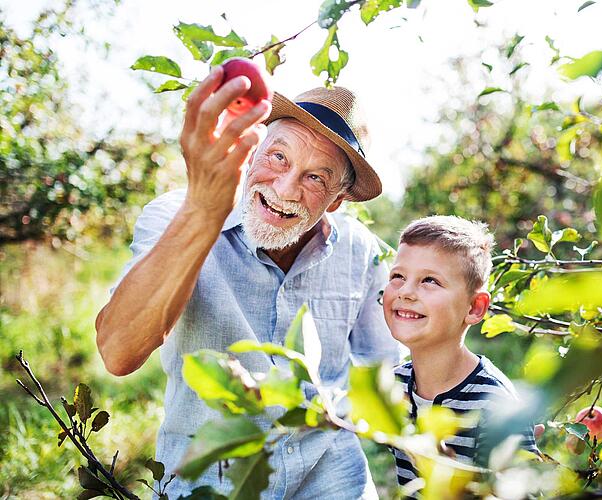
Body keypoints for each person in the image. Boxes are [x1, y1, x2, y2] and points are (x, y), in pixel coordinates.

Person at [95, 67, 400, 498]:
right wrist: (202, 213)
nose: (286, 188)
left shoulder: (362, 251)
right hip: (212, 476)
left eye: (316, 177)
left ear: (337, 199)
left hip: (331, 475)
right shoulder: (173, 216)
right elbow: (118, 351)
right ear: (254, 150)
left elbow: (390, 371)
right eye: (278, 157)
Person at [382, 215, 539, 495]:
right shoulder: (393, 387)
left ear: (475, 308)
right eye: (398, 276)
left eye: (429, 280)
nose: (405, 291)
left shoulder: (493, 403)